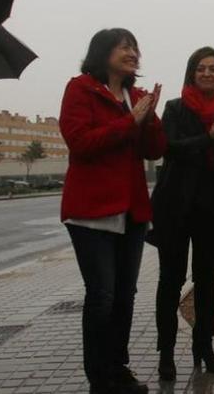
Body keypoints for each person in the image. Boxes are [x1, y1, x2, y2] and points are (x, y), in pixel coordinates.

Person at [59, 28, 167, 394]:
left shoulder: (135, 96)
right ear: (102, 52)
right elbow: (81, 143)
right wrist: (130, 121)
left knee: (125, 295)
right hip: (90, 212)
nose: (132, 52)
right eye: (124, 47)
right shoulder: (80, 89)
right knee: (102, 295)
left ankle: (118, 368)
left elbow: (154, 150)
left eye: (135, 47)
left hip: (132, 211)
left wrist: (149, 117)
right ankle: (100, 377)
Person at [149, 47, 214, 381]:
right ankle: (166, 353)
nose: (207, 73)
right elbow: (170, 148)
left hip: (213, 209)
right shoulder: (175, 108)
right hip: (175, 207)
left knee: (207, 281)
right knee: (170, 281)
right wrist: (209, 137)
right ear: (192, 73)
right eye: (201, 68)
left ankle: (203, 346)